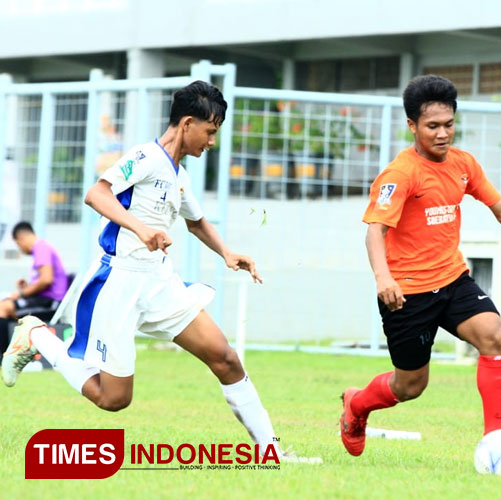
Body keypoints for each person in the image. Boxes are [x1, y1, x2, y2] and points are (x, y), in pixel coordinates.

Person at [2, 81, 305, 462]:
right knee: (113, 399)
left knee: (225, 357)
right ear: (188, 123)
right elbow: (96, 194)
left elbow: (196, 222)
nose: (211, 142)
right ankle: (38, 336)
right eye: (210, 132)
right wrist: (140, 228)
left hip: (160, 283)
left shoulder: (179, 175)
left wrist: (228, 252)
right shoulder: (144, 157)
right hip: (119, 283)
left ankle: (270, 452)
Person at [338, 75, 501, 457]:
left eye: (449, 124)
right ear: (412, 126)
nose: (443, 133)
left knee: (494, 336)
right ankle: (357, 405)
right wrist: (384, 278)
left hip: (452, 280)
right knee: (410, 386)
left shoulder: (463, 164)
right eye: (432, 126)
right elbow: (374, 231)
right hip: (407, 292)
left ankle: (493, 444)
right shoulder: (401, 174)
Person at [0, 222, 69, 352]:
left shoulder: (41, 248)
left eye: (18, 245)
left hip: (50, 303)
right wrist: (27, 287)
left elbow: (46, 280)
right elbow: (44, 281)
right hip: (43, 300)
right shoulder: (43, 248)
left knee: (3, 308)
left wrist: (22, 294)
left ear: (21, 239)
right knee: (4, 304)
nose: (20, 249)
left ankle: (3, 358)